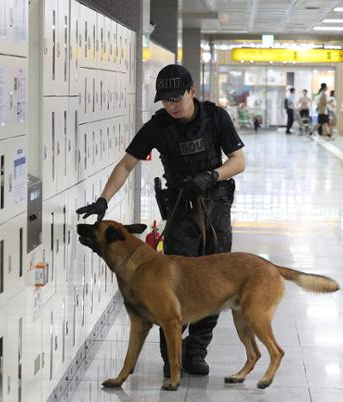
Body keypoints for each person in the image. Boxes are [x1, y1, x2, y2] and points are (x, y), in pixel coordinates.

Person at [76, 64, 246, 378]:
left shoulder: (216, 117)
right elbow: (127, 165)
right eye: (165, 100)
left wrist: (211, 176)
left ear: (192, 91)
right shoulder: (158, 126)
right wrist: (103, 199)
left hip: (216, 206)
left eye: (176, 98)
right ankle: (172, 355)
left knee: (214, 283)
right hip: (181, 209)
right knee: (172, 285)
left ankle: (196, 351)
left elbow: (238, 161)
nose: (170, 105)